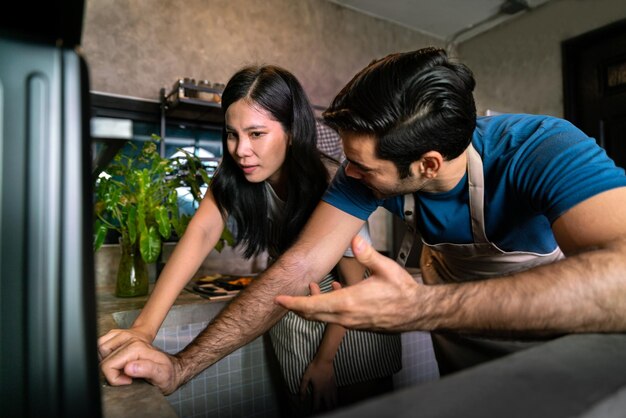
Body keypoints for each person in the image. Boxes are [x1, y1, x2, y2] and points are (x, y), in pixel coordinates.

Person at [100, 47, 626, 394]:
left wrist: (423, 305)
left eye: (362, 167)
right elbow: (295, 265)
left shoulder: (545, 149)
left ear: (428, 165)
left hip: (568, 362)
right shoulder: (366, 170)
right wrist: (179, 367)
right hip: (464, 366)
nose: (347, 175)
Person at [97, 65, 401, 416]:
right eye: (232, 134)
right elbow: (200, 234)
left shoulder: (333, 184)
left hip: (349, 329)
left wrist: (325, 362)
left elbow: (352, 285)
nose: (241, 150)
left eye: (256, 134)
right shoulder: (238, 178)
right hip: (292, 313)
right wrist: (143, 330)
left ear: (290, 132)